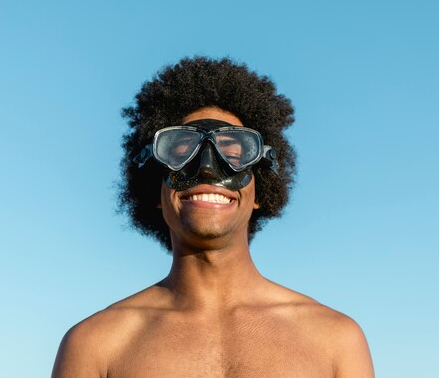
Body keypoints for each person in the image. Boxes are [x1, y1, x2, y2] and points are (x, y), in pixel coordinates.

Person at [51, 57, 374, 378]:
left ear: (261, 191)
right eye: (181, 153)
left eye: (234, 154)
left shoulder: (335, 341)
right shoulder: (96, 345)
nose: (206, 169)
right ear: (155, 192)